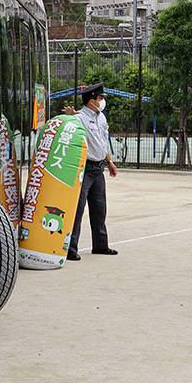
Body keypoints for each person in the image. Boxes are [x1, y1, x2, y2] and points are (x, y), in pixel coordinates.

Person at [64, 83, 118, 260]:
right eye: (99, 98)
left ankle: (100, 245)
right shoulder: (78, 118)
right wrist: (70, 117)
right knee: (78, 209)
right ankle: (71, 249)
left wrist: (109, 161)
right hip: (84, 169)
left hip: (99, 168)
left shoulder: (101, 117)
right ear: (90, 101)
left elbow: (103, 141)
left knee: (99, 208)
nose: (102, 101)